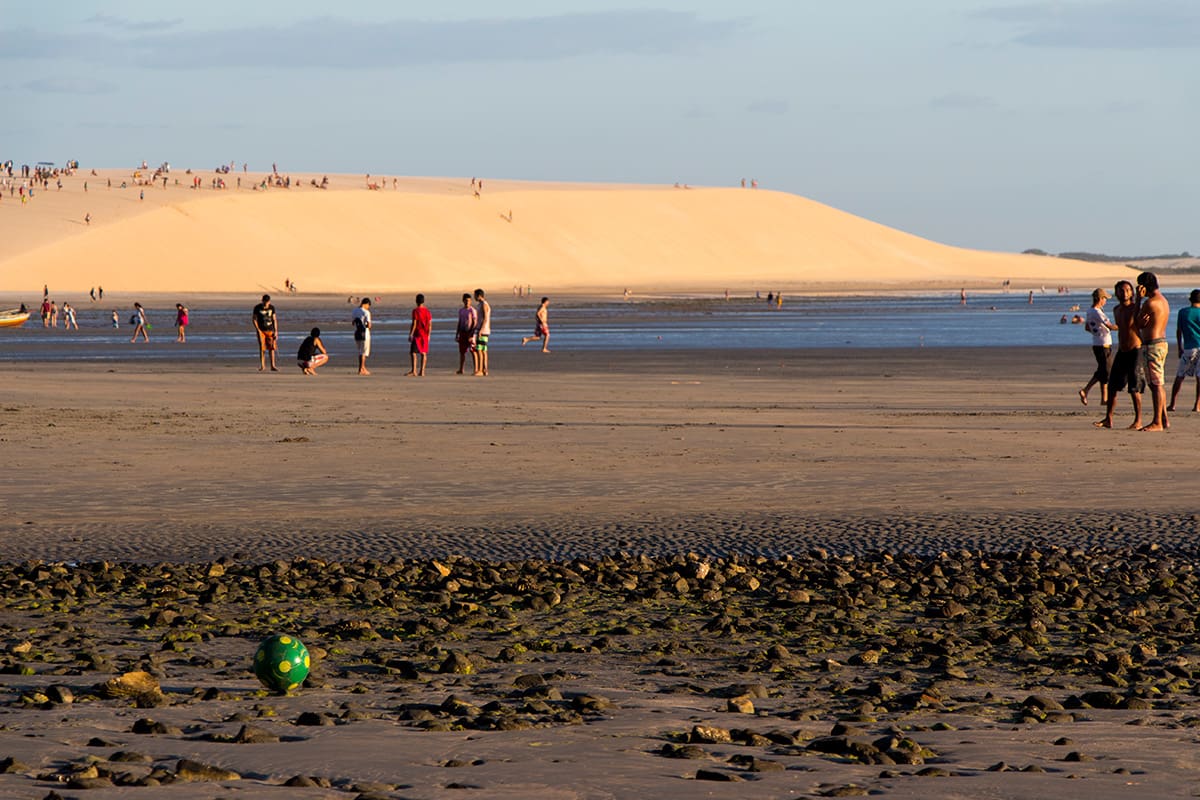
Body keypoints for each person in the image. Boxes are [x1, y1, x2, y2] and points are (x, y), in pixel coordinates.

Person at [1095, 281, 1143, 429]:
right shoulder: (1116, 309)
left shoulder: (1136, 308)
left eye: (1128, 290)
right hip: (1122, 351)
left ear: (1132, 293)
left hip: (1135, 350)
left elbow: (1141, 323)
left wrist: (1140, 299)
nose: (1125, 293)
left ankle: (1138, 420)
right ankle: (1108, 418)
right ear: (1116, 293)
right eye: (1121, 291)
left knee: (1134, 387)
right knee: (1112, 386)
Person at [1135, 271, 1170, 431]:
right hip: (1161, 343)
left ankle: (1158, 422)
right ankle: (1163, 418)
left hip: (1152, 344)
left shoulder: (1150, 303)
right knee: (1158, 383)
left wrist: (1138, 299)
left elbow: (1136, 322)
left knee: (1155, 384)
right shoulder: (1163, 300)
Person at [1079, 288, 1116, 406]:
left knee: (1103, 370)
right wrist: (1127, 326)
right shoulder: (1098, 312)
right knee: (1106, 371)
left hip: (1097, 343)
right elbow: (1110, 326)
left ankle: (1103, 398)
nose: (1106, 301)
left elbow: (1087, 327)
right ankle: (1086, 390)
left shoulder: (1090, 311)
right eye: (1105, 298)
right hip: (1103, 344)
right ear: (1100, 299)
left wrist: (1097, 333)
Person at [1169, 289, 1200, 413]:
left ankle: (1172, 404)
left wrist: (1179, 347)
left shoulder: (1183, 312)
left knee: (1180, 376)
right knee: (1199, 378)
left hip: (1189, 348)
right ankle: (1197, 405)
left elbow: (1179, 330)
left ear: (1190, 299)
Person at [406, 293, 432, 376]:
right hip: (425, 335)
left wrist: (410, 334)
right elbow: (430, 324)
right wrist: (429, 335)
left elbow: (414, 323)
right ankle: (422, 371)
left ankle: (414, 370)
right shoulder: (427, 311)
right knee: (423, 352)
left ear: (416, 301)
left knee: (413, 352)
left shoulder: (415, 311)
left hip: (417, 334)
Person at [252, 294, 278, 371]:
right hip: (261, 330)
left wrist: (276, 331)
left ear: (269, 302)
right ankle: (262, 365)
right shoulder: (257, 308)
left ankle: (273, 365)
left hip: (270, 330)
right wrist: (258, 329)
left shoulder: (272, 308)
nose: (265, 304)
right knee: (262, 348)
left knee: (271, 348)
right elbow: (254, 319)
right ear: (262, 301)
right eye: (264, 302)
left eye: (267, 302)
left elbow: (274, 319)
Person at [455, 293, 478, 375]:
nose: (467, 302)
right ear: (463, 301)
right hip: (462, 332)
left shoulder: (472, 310)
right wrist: (457, 333)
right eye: (465, 301)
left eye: (468, 301)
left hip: (470, 333)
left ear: (471, 301)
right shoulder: (461, 311)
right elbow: (459, 322)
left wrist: (472, 334)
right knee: (462, 352)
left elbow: (475, 323)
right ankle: (461, 369)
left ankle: (476, 369)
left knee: (473, 351)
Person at [473, 288, 491, 376]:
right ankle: (484, 370)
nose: (474, 297)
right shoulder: (480, 304)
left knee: (480, 350)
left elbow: (485, 318)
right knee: (483, 350)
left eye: (475, 295)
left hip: (483, 330)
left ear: (479, 296)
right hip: (483, 330)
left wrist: (480, 330)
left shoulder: (484, 304)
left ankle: (481, 370)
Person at [352, 297, 372, 375]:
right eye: (368, 306)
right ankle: (361, 368)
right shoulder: (366, 312)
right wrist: (368, 325)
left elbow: (353, 323)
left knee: (360, 351)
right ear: (366, 304)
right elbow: (368, 325)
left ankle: (362, 368)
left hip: (357, 332)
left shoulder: (354, 311)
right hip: (364, 333)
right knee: (364, 352)